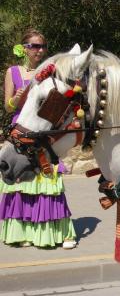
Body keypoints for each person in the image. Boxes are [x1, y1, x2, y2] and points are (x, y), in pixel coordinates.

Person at [0, 29, 76, 249]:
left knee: (49, 181)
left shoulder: (49, 71)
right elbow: (7, 107)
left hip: (42, 130)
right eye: (35, 46)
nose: (40, 50)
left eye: (42, 46)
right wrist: (16, 97)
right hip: (22, 128)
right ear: (24, 49)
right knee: (20, 185)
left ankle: (56, 232)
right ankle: (21, 233)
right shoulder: (12, 72)